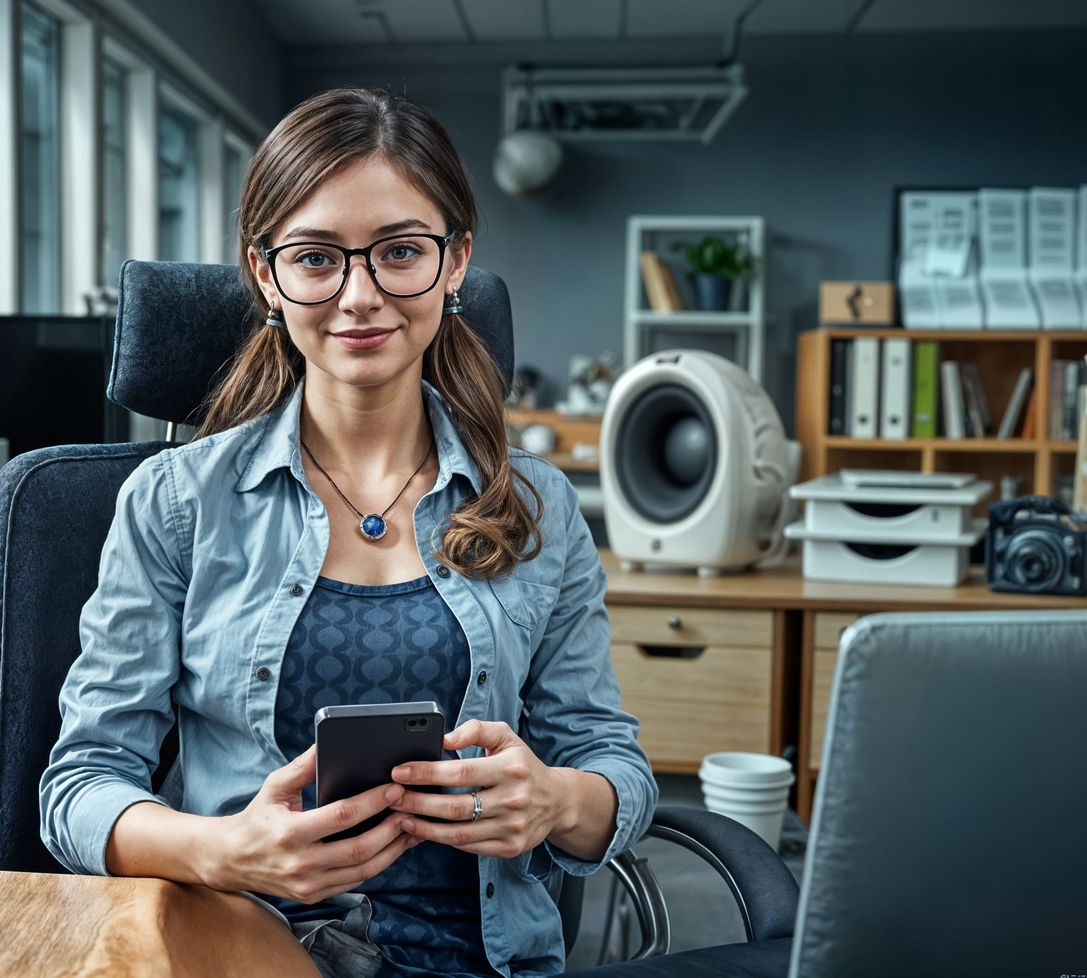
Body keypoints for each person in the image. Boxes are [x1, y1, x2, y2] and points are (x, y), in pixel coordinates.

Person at [40, 88, 656, 978]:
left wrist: (557, 800)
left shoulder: (539, 507)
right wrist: (226, 851)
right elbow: (79, 787)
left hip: (481, 959)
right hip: (249, 945)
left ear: (455, 262)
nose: (359, 297)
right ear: (266, 275)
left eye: (400, 252)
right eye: (317, 258)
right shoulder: (176, 502)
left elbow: (611, 765)